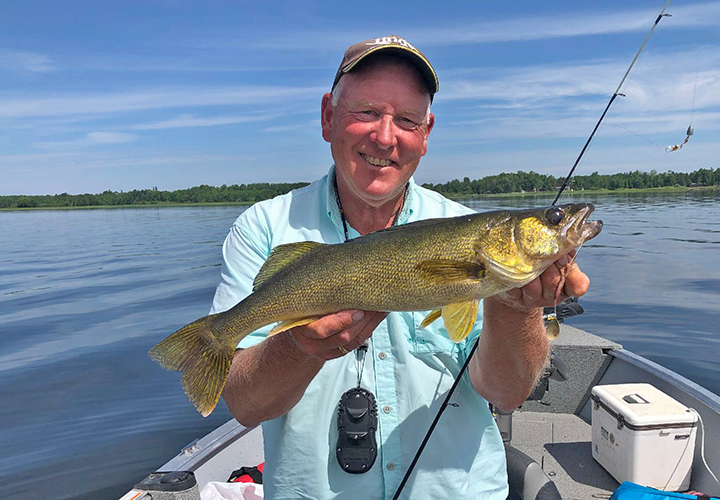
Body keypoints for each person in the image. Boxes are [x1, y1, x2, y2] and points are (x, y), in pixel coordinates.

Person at [210, 35, 591, 500]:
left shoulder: (459, 224)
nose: (385, 137)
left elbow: (505, 395)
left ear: (426, 134)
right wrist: (300, 347)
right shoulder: (264, 227)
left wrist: (515, 306)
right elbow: (245, 407)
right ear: (328, 116)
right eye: (366, 112)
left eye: (407, 120)